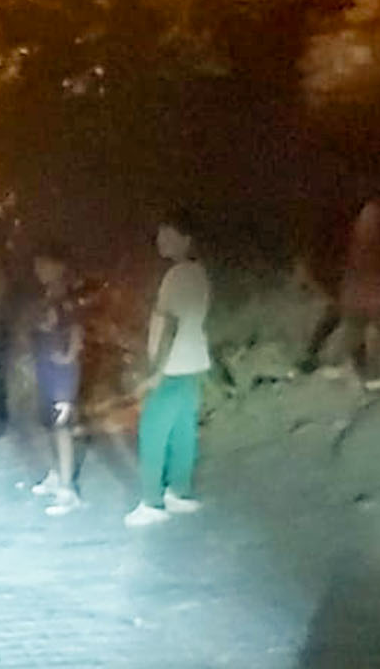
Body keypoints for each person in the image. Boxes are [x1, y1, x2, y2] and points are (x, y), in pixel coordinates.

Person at [126, 212, 211, 528]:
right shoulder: (199, 272)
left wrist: (156, 370)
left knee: (153, 431)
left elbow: (170, 325)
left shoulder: (176, 276)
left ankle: (152, 502)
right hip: (193, 361)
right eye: (160, 235)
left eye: (169, 235)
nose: (161, 241)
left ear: (186, 239)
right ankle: (179, 491)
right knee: (183, 430)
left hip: (173, 366)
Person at [299, 176, 380, 392]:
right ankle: (365, 373)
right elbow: (368, 252)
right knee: (372, 321)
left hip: (347, 277)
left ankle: (333, 363)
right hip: (355, 279)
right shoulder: (370, 216)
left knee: (352, 320)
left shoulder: (353, 217)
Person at [29, 245, 85, 517]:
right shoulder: (48, 295)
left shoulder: (66, 295)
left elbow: (76, 326)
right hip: (46, 367)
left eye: (44, 265)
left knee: (62, 425)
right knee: (50, 423)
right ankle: (57, 473)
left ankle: (68, 489)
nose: (39, 271)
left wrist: (69, 355)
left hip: (61, 370)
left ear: (59, 265)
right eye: (37, 266)